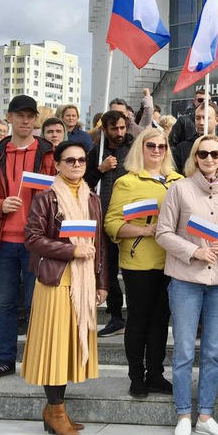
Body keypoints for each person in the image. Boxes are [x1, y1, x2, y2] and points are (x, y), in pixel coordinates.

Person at [156, 134, 218, 435]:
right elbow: (163, 232)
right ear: (194, 156)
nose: (209, 159)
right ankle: (183, 413)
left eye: (215, 154)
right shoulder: (178, 189)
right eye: (203, 154)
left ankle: (205, 415)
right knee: (182, 350)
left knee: (213, 352)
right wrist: (193, 251)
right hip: (185, 280)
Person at [22, 141, 108, 435]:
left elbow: (100, 246)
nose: (76, 165)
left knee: (69, 348)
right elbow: (32, 239)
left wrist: (103, 282)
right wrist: (70, 251)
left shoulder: (93, 198)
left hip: (84, 283)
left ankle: (54, 410)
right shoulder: (46, 198)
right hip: (56, 282)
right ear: (57, 164)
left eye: (81, 160)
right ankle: (55, 409)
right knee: (55, 350)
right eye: (69, 160)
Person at [0, 95, 56, 381]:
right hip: (4, 242)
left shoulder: (48, 153)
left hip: (37, 243)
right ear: (8, 117)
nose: (25, 120)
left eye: (30, 116)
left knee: (38, 305)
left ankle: (36, 359)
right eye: (19, 115)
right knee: (7, 303)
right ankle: (5, 359)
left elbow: (62, 194)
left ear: (36, 120)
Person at [104, 127, 182, 398]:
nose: (157, 151)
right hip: (139, 262)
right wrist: (144, 231)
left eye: (162, 146)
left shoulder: (177, 180)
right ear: (141, 148)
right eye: (151, 146)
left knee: (161, 320)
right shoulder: (127, 182)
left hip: (171, 262)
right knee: (138, 320)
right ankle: (136, 376)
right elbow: (112, 223)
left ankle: (156, 374)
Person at [85, 109, 143, 338]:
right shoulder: (96, 151)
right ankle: (116, 315)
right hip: (103, 217)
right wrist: (100, 169)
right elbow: (85, 183)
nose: (119, 132)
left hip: (131, 217)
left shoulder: (135, 147)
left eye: (122, 127)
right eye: (114, 128)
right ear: (105, 129)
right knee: (107, 267)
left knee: (133, 269)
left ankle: (136, 314)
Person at [172, 102, 218, 173]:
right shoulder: (181, 149)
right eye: (197, 118)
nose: (201, 122)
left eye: (206, 118)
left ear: (217, 120)